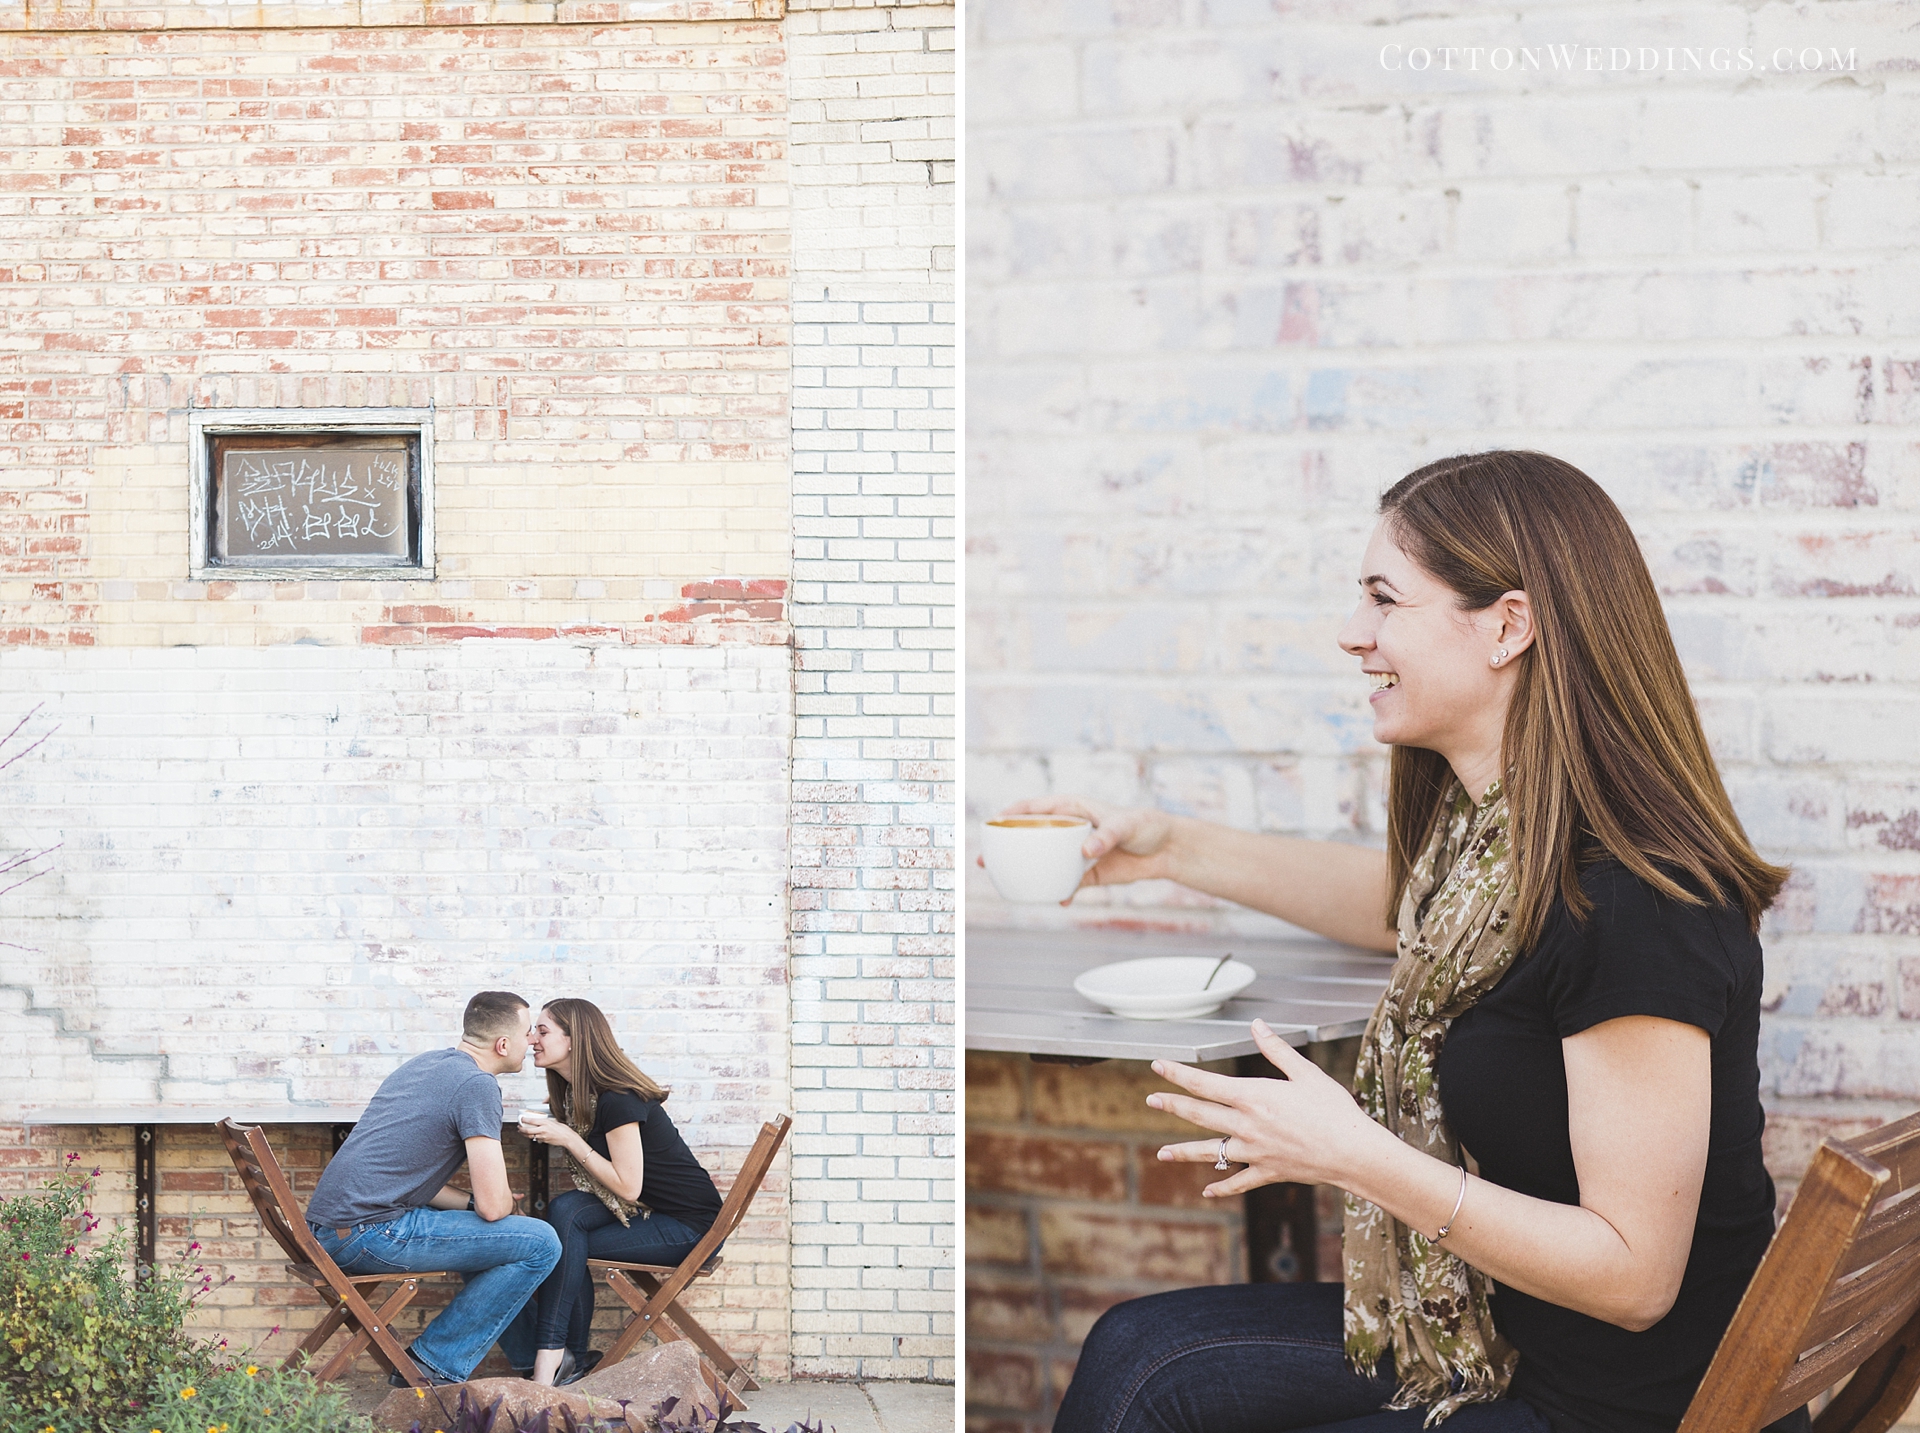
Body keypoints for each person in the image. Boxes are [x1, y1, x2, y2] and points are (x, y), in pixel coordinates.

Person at [1026, 452, 1801, 1433]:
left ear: (1509, 625)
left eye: (1384, 599)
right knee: (1138, 1355)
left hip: (1605, 1404)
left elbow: (1635, 1276)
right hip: (1494, 1327)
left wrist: (1358, 1155)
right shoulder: (1500, 849)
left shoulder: (1637, 905)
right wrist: (1169, 846)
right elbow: (1401, 908)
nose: (1353, 633)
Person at [305, 990, 563, 1386]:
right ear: (503, 1044)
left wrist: (476, 1202)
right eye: (529, 1032)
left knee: (504, 1238)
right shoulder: (477, 1086)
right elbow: (495, 1210)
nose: (532, 1041)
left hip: (332, 1231)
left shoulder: (428, 1064)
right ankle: (430, 1366)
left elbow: (414, 1181)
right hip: (368, 1234)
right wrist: (498, 1207)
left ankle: (529, 1359)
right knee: (541, 1241)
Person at [500, 997, 725, 1387]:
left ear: (574, 1040)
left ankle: (549, 1364)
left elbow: (627, 1185)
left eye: (542, 1030)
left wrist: (568, 1137)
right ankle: (563, 1360)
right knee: (566, 1212)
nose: (532, 1038)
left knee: (566, 1237)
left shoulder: (616, 1097)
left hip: (689, 1227)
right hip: (648, 1211)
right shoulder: (578, 1095)